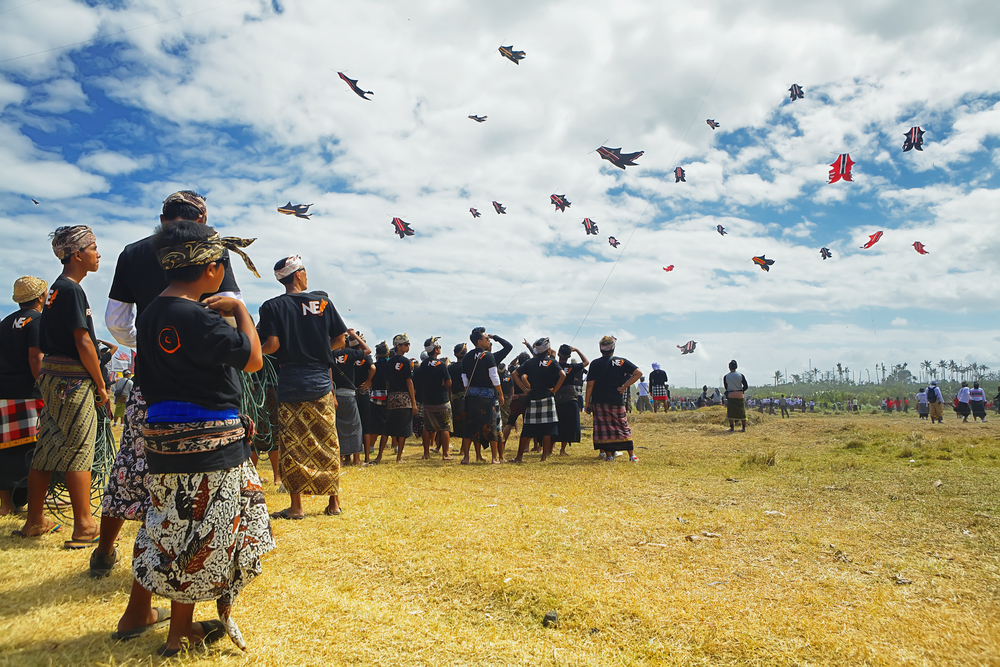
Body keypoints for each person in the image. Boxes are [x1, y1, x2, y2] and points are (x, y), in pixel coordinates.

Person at [133, 219, 273, 656]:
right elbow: (252, 360)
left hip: (162, 442)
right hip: (211, 444)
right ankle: (179, 633)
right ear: (211, 269)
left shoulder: (153, 311)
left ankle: (180, 629)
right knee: (207, 533)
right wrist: (240, 311)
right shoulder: (199, 317)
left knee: (175, 530)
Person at [17, 226, 106, 547]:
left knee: (48, 445)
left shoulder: (54, 291)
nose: (99, 253)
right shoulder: (71, 290)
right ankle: (84, 525)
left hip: (52, 376)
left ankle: (34, 520)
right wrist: (102, 384)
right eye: (94, 247)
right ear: (77, 254)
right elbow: (82, 340)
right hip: (72, 378)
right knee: (79, 447)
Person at [258, 255, 347, 519]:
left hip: (290, 380)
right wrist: (319, 351)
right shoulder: (322, 303)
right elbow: (340, 339)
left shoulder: (272, 306)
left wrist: (252, 354)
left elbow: (272, 345)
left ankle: (296, 507)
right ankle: (334, 502)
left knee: (292, 443)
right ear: (298, 274)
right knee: (327, 440)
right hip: (319, 379)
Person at [0, 276, 46, 516]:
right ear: (40, 297)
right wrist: (45, 389)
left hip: (3, 392)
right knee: (35, 451)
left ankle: (6, 504)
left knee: (5, 448)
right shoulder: (37, 321)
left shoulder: (5, 322)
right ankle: (37, 505)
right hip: (28, 393)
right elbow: (35, 358)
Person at [585, 335, 641, 462]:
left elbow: (589, 385)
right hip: (616, 399)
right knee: (622, 426)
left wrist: (587, 402)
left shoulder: (595, 363)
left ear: (600, 349)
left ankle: (609, 456)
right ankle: (632, 455)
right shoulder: (621, 361)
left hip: (599, 400)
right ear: (613, 349)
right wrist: (624, 386)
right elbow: (638, 373)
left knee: (604, 429)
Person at [512, 338, 566, 463]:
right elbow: (563, 375)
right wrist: (554, 390)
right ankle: (544, 457)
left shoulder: (530, 362)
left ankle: (519, 457)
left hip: (533, 396)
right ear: (548, 350)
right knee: (548, 429)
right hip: (547, 395)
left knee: (527, 428)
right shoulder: (552, 362)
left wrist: (525, 389)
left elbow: (515, 374)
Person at [461, 327, 509, 464]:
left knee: (470, 427)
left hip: (471, 395)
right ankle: (494, 458)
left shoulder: (467, 356)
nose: (488, 340)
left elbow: (464, 378)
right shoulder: (488, 356)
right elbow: (494, 376)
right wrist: (500, 393)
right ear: (479, 341)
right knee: (491, 425)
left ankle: (466, 457)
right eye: (486, 338)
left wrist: (468, 391)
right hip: (487, 396)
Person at [332, 329, 371, 466]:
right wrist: (355, 336)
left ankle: (340, 459)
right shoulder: (349, 353)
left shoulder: (330, 354)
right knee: (355, 427)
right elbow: (367, 351)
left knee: (337, 428)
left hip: (334, 395)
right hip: (348, 395)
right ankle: (356, 459)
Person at [380, 334, 416, 462]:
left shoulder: (389, 362)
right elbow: (409, 382)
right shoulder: (406, 362)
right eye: (406, 344)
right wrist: (414, 401)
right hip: (404, 397)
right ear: (398, 346)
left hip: (392, 396)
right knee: (403, 429)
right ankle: (399, 457)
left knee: (388, 427)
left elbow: (388, 382)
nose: (408, 346)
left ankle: (379, 456)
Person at [419, 337, 453, 460]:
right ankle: (445, 454)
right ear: (435, 350)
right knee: (444, 427)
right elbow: (449, 383)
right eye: (438, 347)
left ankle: (426, 454)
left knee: (427, 427)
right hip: (442, 400)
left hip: (428, 400)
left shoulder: (423, 364)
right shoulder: (441, 364)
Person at [555, 344, 588, 456]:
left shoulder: (554, 366)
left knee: (555, 422)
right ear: (569, 356)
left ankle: (549, 449)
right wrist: (577, 350)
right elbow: (586, 362)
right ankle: (562, 450)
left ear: (559, 354)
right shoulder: (571, 368)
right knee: (567, 424)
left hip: (556, 396)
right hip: (569, 397)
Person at [349, 333, 376, 462]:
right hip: (363, 391)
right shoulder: (366, 357)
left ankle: (350, 456)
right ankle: (366, 457)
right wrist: (369, 381)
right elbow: (373, 367)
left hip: (351, 391)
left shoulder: (348, 355)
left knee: (352, 424)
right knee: (366, 425)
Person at [370, 341, 391, 461]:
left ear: (377, 354)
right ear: (388, 353)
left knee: (375, 425)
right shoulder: (391, 364)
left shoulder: (373, 366)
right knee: (387, 425)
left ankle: (371, 448)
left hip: (375, 396)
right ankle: (396, 448)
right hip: (389, 396)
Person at [448, 343, 468, 447]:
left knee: (451, 423)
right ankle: (463, 449)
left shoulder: (450, 367)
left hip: (454, 397)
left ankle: (439, 447)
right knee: (466, 424)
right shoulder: (467, 366)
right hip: (465, 397)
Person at [723, 360, 749, 432]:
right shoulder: (740, 375)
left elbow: (726, 387)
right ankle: (743, 428)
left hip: (731, 395)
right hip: (740, 395)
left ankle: (732, 428)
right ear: (736, 367)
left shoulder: (726, 376)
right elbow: (746, 386)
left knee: (731, 412)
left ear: (729, 367)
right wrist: (741, 391)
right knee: (741, 412)